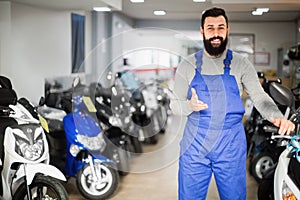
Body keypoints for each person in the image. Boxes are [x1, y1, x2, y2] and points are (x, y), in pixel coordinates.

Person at [169, 7, 295, 200]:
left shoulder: (241, 64)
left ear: (228, 30)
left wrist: (277, 117)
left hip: (230, 144)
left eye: (221, 27)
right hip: (195, 144)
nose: (216, 33)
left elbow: (260, 97)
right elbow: (174, 105)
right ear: (202, 31)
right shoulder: (187, 65)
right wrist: (189, 106)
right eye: (210, 28)